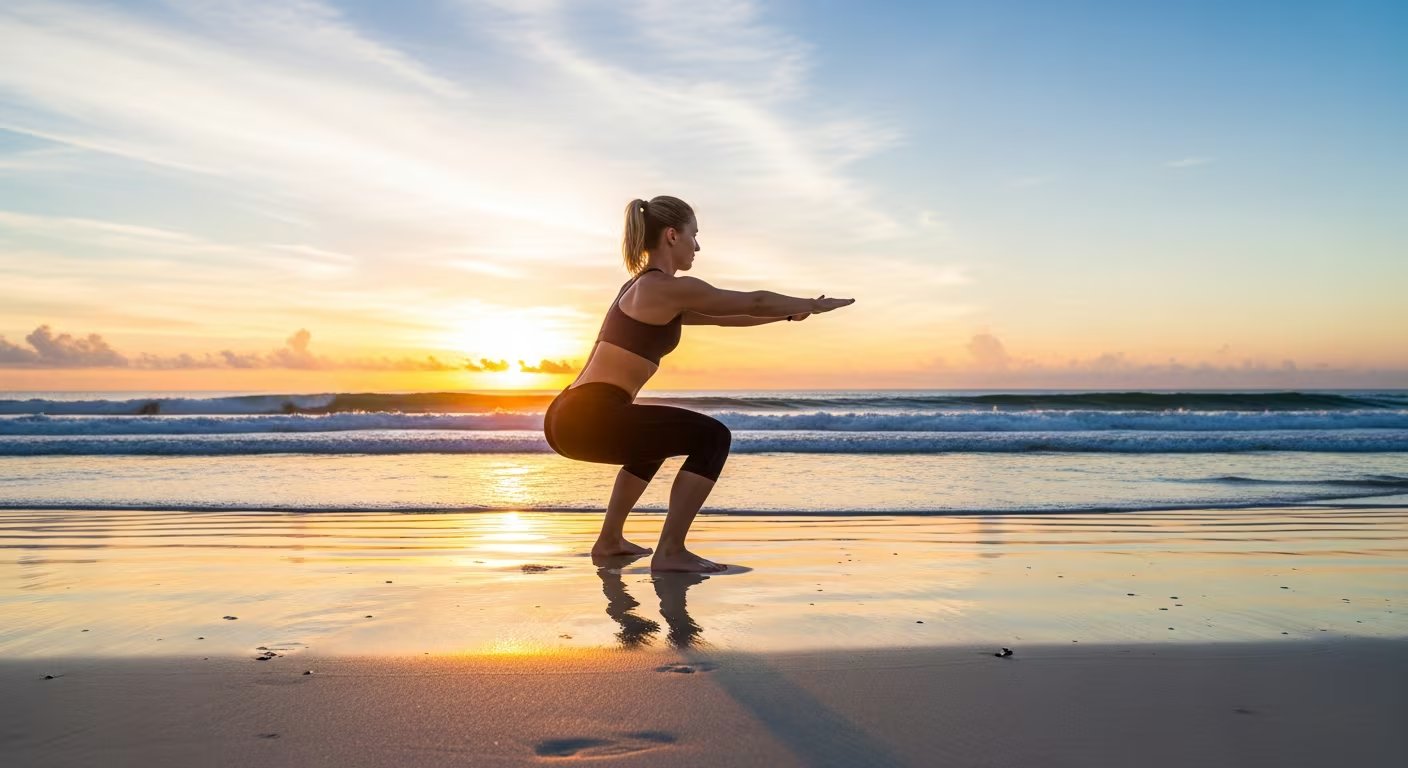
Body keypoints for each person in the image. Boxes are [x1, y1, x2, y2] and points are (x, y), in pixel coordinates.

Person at [543, 196, 854, 572]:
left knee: (653, 440)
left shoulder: (644, 289)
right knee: (713, 436)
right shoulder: (664, 288)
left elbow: (729, 315)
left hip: (570, 415)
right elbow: (753, 300)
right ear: (673, 236)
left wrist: (788, 314)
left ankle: (610, 541)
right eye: (695, 235)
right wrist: (813, 303)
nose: (698, 246)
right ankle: (671, 550)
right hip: (590, 414)